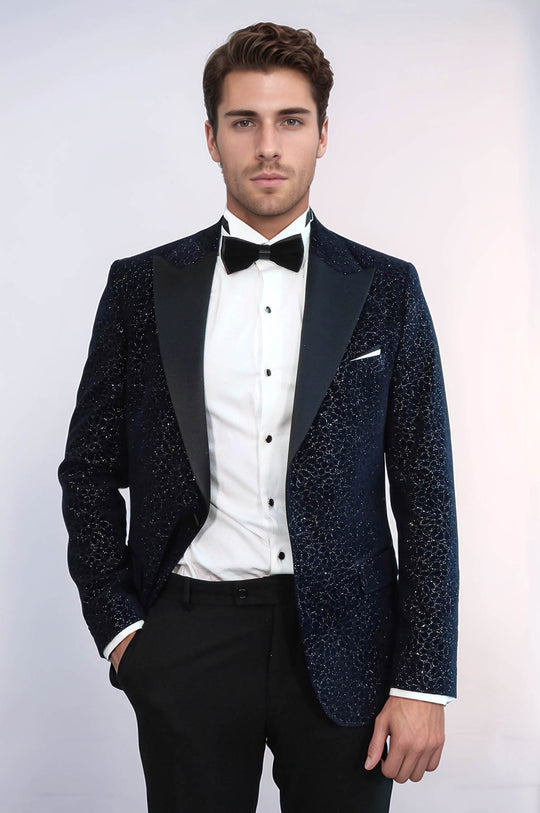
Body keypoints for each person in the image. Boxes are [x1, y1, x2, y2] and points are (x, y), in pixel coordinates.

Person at [59, 21, 459, 813]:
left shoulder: (387, 289)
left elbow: (426, 492)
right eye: (244, 121)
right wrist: (123, 632)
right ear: (212, 137)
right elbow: (89, 471)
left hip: (348, 644)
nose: (268, 146)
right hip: (188, 637)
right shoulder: (141, 288)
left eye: (290, 121)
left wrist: (422, 680)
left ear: (322, 135)